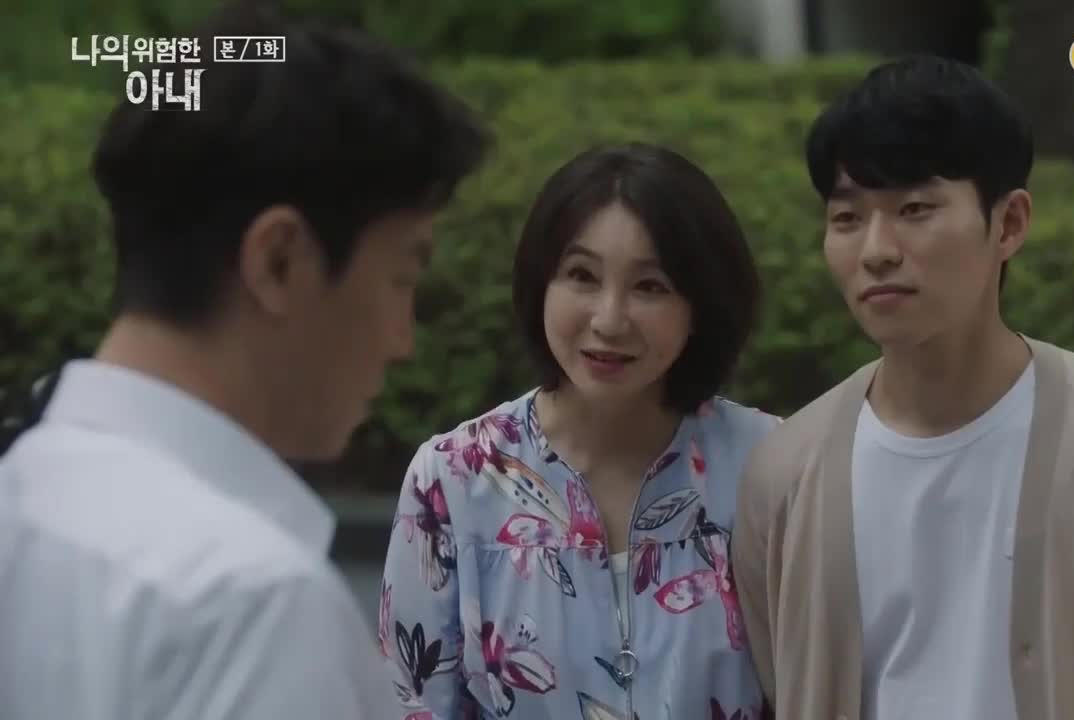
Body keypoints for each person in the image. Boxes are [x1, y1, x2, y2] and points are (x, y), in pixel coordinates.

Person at [730, 55, 1074, 720]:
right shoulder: (787, 475)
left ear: (1009, 223)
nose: (876, 249)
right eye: (847, 218)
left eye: (914, 209)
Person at [0, 3, 490, 718]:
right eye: (401, 277)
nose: (402, 340)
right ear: (279, 261)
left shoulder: (23, 492)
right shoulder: (255, 603)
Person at [379, 142, 779, 719]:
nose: (609, 320)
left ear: (702, 304)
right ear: (539, 284)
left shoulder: (771, 467)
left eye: (650, 286)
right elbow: (411, 703)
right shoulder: (454, 480)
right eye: (581, 276)